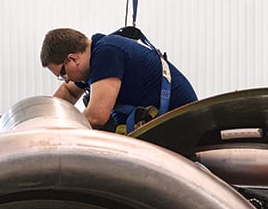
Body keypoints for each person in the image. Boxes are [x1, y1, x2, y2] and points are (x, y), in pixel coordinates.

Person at [40, 27, 198, 131]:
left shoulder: (106, 54)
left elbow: (96, 117)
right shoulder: (96, 56)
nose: (66, 80)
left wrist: (59, 130)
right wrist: (45, 120)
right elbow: (69, 92)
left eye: (62, 73)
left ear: (73, 59)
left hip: (178, 126)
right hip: (156, 123)